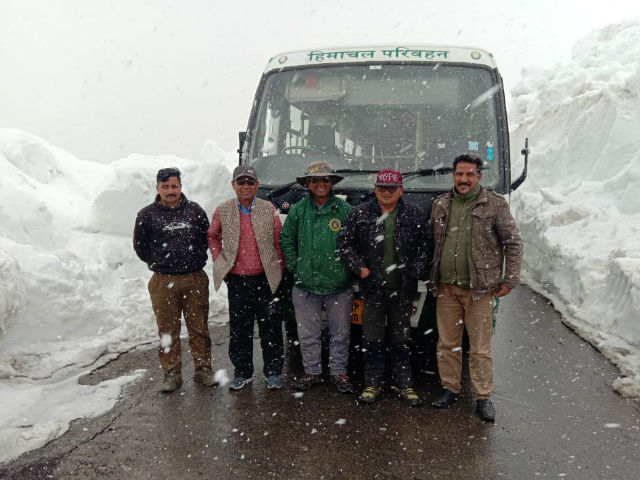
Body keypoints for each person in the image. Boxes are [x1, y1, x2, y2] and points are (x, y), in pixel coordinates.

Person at [427, 154, 523, 422]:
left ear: (479, 176)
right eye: (459, 174)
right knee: (447, 344)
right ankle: (450, 389)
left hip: (480, 290)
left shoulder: (494, 204)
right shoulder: (441, 204)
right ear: (453, 176)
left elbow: (513, 243)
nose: (464, 179)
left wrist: (509, 279)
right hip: (446, 289)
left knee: (480, 347)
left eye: (470, 174)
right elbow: (433, 243)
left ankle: (483, 397)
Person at [338, 169, 428, 406]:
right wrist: (359, 268)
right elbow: (345, 243)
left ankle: (404, 383)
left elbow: (425, 248)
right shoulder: (360, 214)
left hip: (402, 290)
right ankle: (372, 383)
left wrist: (415, 270)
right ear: (375, 190)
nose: (386, 193)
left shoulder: (415, 215)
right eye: (381, 188)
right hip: (372, 291)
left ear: (401, 190)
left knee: (401, 340)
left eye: (391, 189)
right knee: (372, 340)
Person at [133, 167, 214, 392]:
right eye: (165, 186)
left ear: (180, 187)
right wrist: (161, 262)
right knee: (168, 330)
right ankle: (171, 373)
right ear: (158, 187)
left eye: (174, 186)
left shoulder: (195, 211)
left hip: (195, 278)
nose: (170, 191)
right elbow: (140, 248)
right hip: (163, 281)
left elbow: (205, 239)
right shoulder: (146, 215)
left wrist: (192, 259)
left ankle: (203, 369)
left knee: (199, 327)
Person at [280, 161, 355, 393]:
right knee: (308, 334)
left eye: (325, 179)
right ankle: (311, 371)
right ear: (308, 184)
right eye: (315, 180)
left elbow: (354, 244)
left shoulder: (344, 211)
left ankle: (338, 372)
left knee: (340, 334)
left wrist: (346, 271)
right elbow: (286, 240)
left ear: (331, 182)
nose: (320, 184)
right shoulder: (298, 210)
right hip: (305, 286)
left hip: (339, 287)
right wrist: (295, 266)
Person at [208, 165, 285, 390]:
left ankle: (273, 372)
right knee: (240, 329)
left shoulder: (268, 208)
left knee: (270, 328)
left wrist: (277, 267)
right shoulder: (223, 210)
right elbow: (212, 236)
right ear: (233, 185)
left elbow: (278, 241)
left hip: (266, 279)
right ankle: (242, 372)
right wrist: (219, 259)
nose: (245, 186)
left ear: (257, 186)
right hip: (238, 281)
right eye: (240, 182)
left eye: (250, 182)